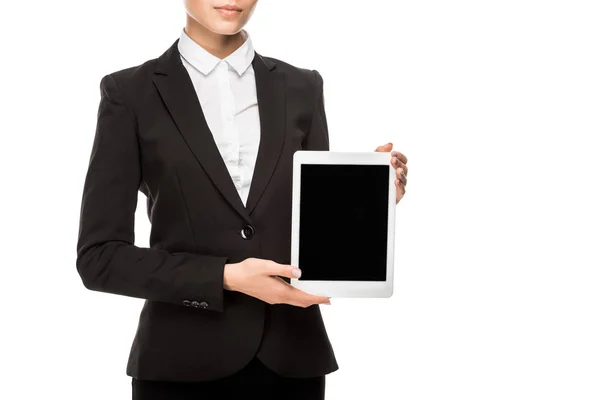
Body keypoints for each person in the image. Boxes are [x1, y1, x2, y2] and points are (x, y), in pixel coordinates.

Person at [75, 0, 409, 398]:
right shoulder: (129, 93)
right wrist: (225, 277)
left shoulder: (302, 87)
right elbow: (100, 258)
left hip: (292, 365)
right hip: (179, 366)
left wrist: (366, 202)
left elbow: (313, 245)